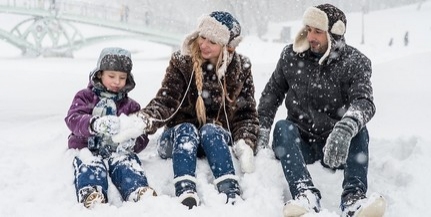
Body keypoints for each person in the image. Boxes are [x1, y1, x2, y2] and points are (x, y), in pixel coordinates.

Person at [114, 11, 259, 209]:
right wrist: (144, 120)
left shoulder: (241, 68)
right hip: (177, 139)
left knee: (211, 130)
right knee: (186, 129)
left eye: (212, 42)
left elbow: (246, 113)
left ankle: (229, 189)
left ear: (228, 47)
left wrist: (245, 141)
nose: (204, 45)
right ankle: (185, 190)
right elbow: (166, 100)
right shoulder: (182, 62)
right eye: (203, 37)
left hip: (214, 141)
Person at [257, 4, 386, 217]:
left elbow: (364, 101)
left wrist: (345, 128)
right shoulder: (291, 56)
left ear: (334, 34)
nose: (310, 37)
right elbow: (271, 94)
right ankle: (305, 194)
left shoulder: (355, 62)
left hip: (337, 146)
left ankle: (353, 199)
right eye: (308, 29)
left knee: (359, 129)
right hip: (299, 144)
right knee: (282, 127)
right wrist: (261, 129)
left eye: (317, 31)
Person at [65, 47, 157, 209]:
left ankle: (137, 189)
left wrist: (132, 142)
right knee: (90, 164)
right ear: (100, 74)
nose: (117, 82)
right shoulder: (85, 97)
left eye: (122, 78)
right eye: (111, 76)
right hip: (88, 147)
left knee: (126, 163)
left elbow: (141, 134)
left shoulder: (131, 106)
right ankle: (91, 191)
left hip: (117, 150)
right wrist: (94, 124)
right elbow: (73, 118)